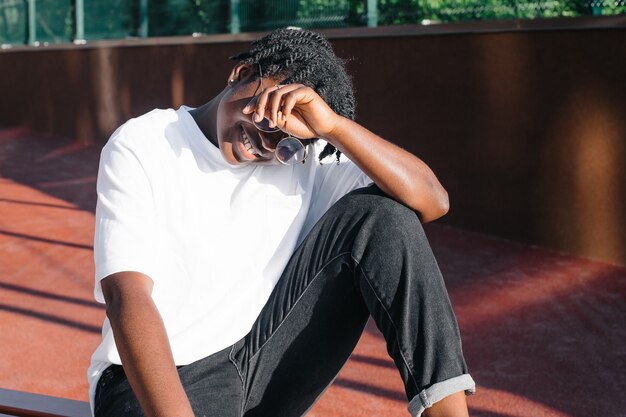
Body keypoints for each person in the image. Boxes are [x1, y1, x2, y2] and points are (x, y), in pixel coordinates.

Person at [88, 27, 475, 417]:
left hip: (252, 374)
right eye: (268, 114)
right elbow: (127, 298)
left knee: (383, 216)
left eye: (288, 140)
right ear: (240, 75)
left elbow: (432, 200)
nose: (267, 142)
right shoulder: (146, 142)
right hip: (149, 387)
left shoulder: (305, 159)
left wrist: (333, 128)